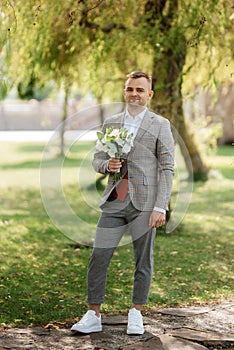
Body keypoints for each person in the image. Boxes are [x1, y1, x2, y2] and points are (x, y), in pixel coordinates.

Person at [71, 71, 174, 335]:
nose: (134, 94)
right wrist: (107, 165)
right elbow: (97, 159)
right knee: (98, 257)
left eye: (140, 90)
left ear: (149, 95)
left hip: (145, 204)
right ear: (124, 92)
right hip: (115, 201)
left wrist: (160, 206)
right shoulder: (112, 123)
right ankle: (93, 314)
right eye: (130, 89)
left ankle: (136, 313)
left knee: (143, 260)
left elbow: (167, 167)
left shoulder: (160, 124)